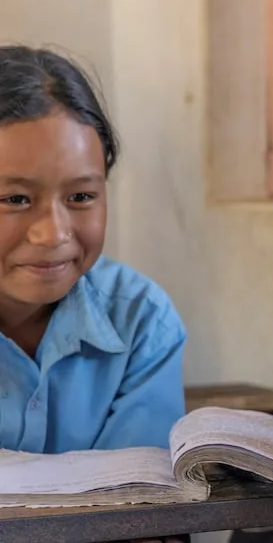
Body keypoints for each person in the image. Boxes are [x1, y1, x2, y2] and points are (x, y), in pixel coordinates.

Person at [0, 45, 187, 456]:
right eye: (15, 200)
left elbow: (139, 504)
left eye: (81, 195)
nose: (52, 234)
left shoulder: (141, 320)